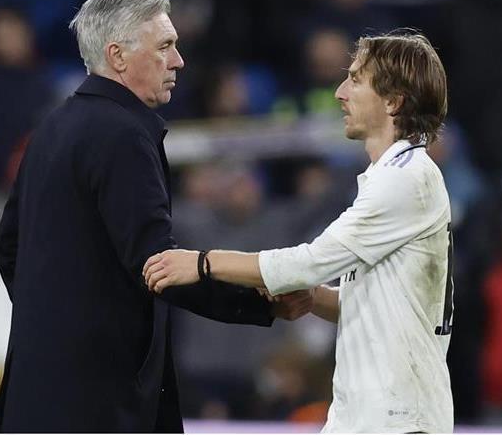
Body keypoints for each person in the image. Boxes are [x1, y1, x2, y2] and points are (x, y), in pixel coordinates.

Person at [0, 0, 311, 433]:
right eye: (164, 46)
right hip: (102, 404)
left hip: (34, 393)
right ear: (117, 56)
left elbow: (9, 247)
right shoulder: (123, 135)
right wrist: (261, 304)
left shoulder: (51, 127)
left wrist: (54, 321)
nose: (178, 61)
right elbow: (159, 267)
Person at [145, 32, 454, 433]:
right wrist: (315, 298)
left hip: (397, 421)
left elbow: (307, 263)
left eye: (355, 80)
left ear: (393, 101)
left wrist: (203, 263)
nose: (340, 93)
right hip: (372, 417)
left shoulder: (404, 180)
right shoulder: (399, 177)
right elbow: (382, 307)